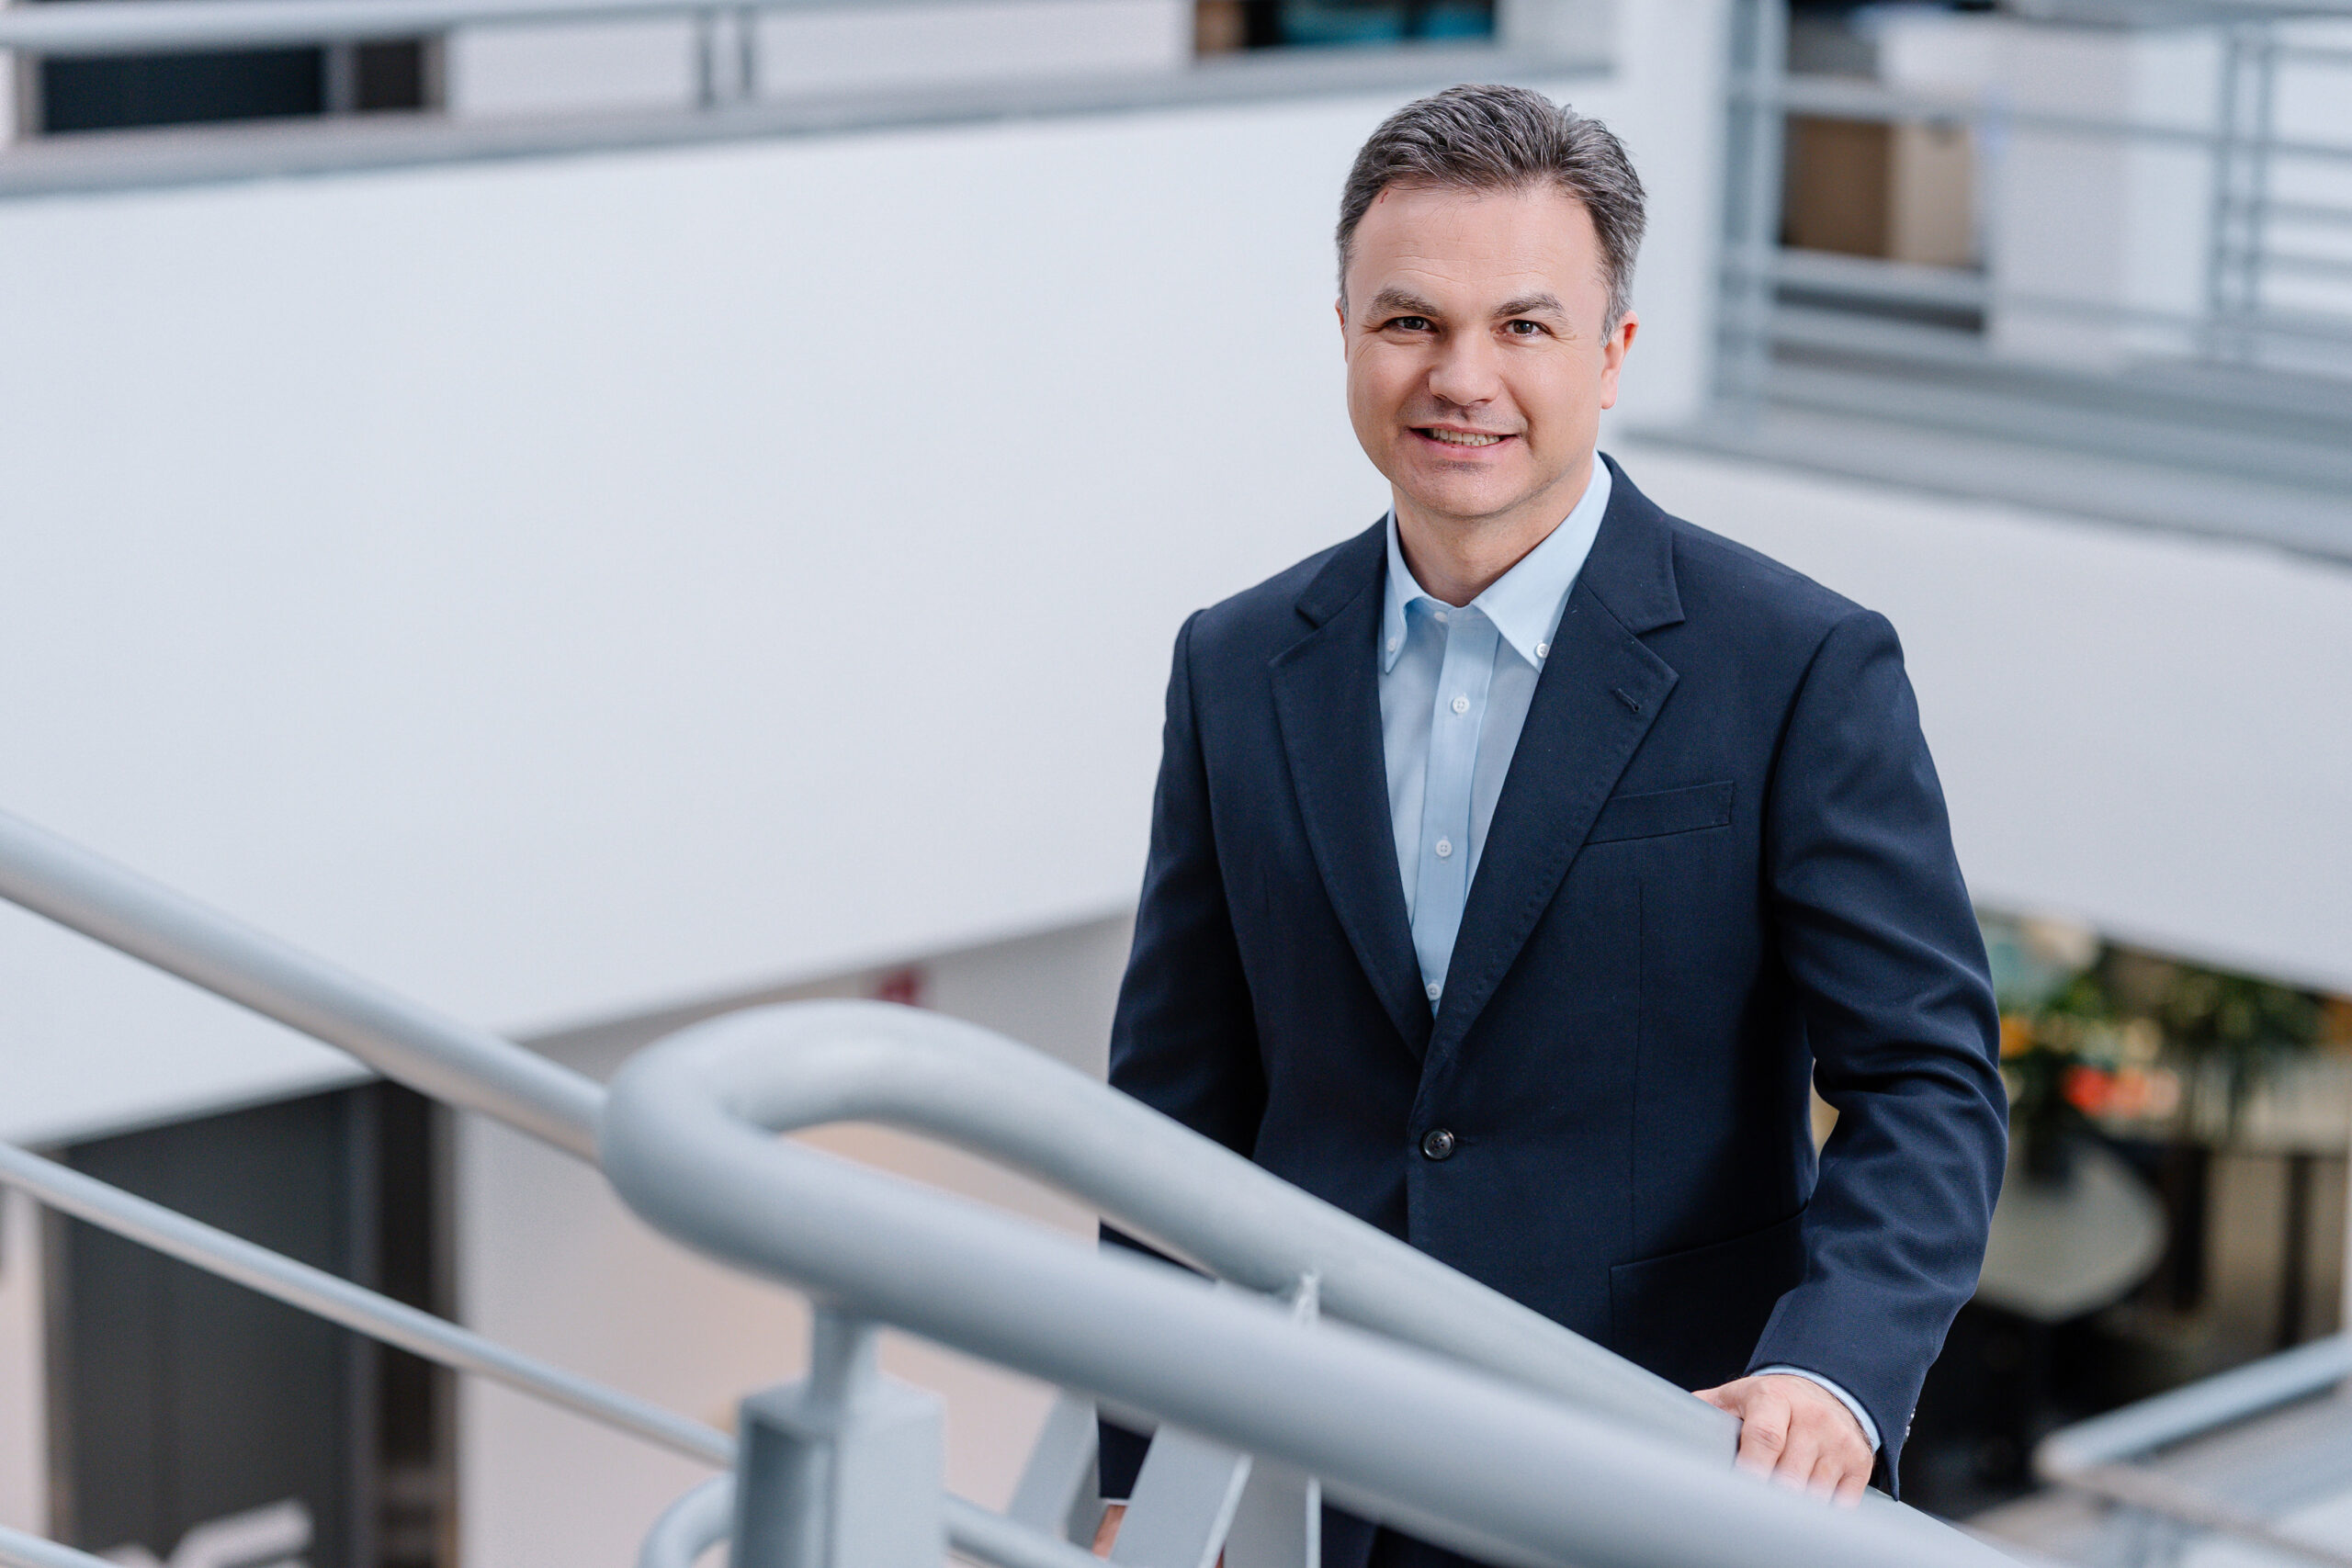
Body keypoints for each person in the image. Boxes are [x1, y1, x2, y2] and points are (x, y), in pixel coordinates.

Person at [1091, 84, 2007, 1566]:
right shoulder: (1235, 664)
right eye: (1410, 322)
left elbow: (1928, 1081)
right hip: (1321, 1494)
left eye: (1522, 325)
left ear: (1612, 353)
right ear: (1345, 334)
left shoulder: (1795, 666)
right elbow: (1174, 1115)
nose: (1462, 378)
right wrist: (1143, 1473)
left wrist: (1833, 1370)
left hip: (1659, 1481)